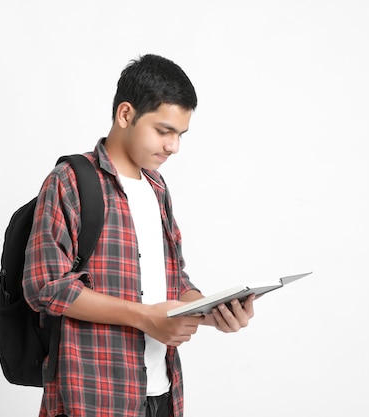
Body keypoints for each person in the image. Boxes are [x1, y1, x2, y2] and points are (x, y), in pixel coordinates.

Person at [23, 54, 256, 417]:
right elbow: (46, 287)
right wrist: (145, 317)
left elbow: (175, 282)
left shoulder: (157, 188)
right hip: (94, 396)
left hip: (162, 394)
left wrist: (212, 311)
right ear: (126, 114)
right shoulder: (69, 181)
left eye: (180, 135)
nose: (173, 146)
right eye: (164, 131)